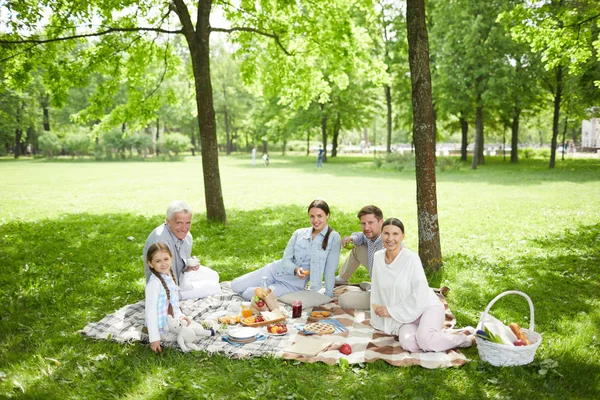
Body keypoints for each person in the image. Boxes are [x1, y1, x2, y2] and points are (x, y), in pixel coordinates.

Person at [370, 218, 473, 352]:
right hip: (405, 317)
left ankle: (466, 340)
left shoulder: (411, 258)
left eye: (395, 234)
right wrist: (380, 315)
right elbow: (377, 288)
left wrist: (391, 311)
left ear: (403, 236)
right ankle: (439, 336)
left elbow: (420, 293)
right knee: (410, 345)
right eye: (386, 233)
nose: (390, 238)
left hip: (426, 308)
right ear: (381, 235)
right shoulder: (378, 257)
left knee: (425, 342)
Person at [231, 199, 341, 299]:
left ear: (327, 215)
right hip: (274, 271)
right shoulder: (299, 233)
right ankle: (258, 286)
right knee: (235, 285)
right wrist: (295, 269)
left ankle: (259, 290)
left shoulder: (334, 238)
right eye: (312, 216)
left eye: (319, 216)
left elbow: (329, 270)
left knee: (247, 294)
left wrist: (328, 295)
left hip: (290, 285)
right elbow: (286, 259)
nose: (315, 220)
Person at [143, 200, 220, 300]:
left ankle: (191, 287)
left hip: (181, 276)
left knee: (215, 276)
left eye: (188, 223)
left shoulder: (187, 236)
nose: (184, 228)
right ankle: (183, 295)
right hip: (166, 288)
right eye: (179, 223)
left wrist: (189, 267)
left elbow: (183, 267)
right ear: (168, 222)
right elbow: (162, 274)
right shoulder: (160, 240)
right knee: (215, 287)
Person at [144, 242, 189, 354]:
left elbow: (173, 303)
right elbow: (150, 312)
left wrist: (181, 316)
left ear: (171, 258)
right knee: (191, 334)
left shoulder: (168, 277)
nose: (163, 264)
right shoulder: (154, 284)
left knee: (192, 327)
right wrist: (154, 339)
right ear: (150, 263)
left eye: (166, 259)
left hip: (172, 323)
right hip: (162, 329)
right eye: (158, 261)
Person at [336, 205, 384, 309]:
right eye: (363, 223)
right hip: (376, 279)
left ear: (381, 222)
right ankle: (342, 278)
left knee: (343, 300)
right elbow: (361, 236)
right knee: (358, 247)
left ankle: (371, 291)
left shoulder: (387, 243)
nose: (366, 228)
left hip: (385, 294)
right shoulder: (371, 237)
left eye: (370, 223)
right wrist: (351, 238)